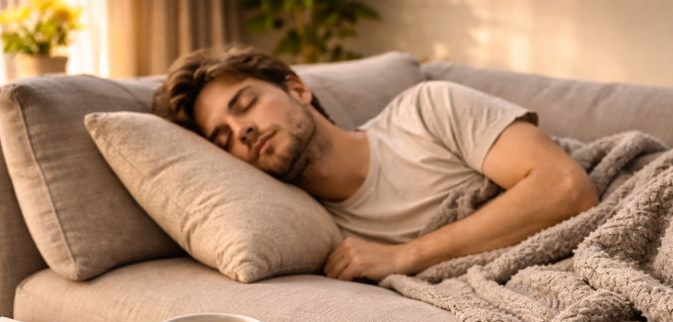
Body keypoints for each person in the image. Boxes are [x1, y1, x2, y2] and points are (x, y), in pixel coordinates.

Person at [154, 48, 598, 282]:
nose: (243, 130)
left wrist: (407, 255)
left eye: (246, 104)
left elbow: (566, 186)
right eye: (224, 137)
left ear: (298, 89)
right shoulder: (315, 234)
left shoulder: (426, 109)